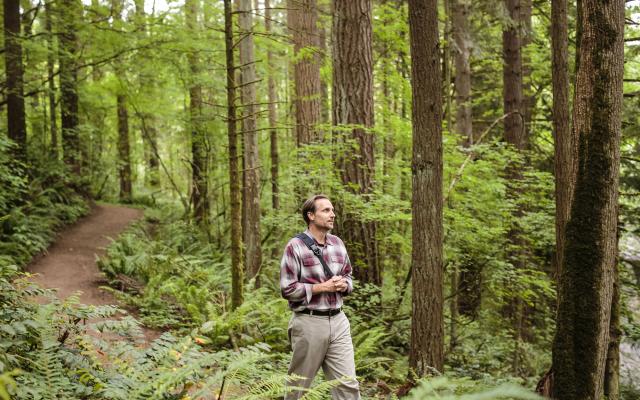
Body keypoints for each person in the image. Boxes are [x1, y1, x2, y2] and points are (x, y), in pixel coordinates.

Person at [280, 194, 361, 400]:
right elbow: (287, 289)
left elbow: (348, 276)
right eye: (326, 210)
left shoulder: (338, 243)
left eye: (332, 210)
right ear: (311, 215)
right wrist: (321, 287)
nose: (332, 214)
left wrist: (345, 284)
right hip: (309, 322)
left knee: (348, 385)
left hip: (339, 321)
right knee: (298, 387)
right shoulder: (295, 246)